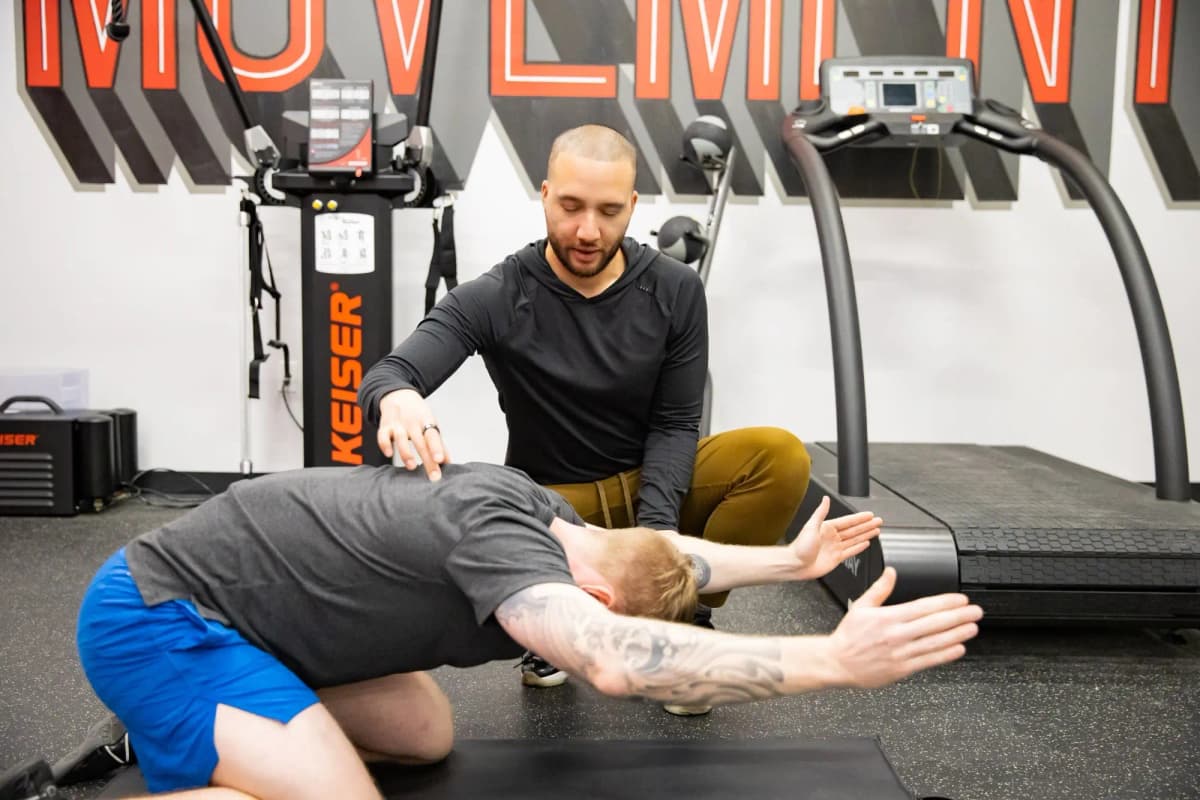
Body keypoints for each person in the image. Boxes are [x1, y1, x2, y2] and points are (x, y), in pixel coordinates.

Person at [75, 462, 982, 800]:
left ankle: (227, 729)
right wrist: (833, 659)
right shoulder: (521, 569)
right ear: (587, 593)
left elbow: (657, 557)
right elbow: (620, 662)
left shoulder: (547, 514)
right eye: (588, 607)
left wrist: (788, 563)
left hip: (261, 619)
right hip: (158, 616)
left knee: (425, 739)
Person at [357, 124, 812, 705]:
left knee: (777, 455)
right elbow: (389, 374)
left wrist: (658, 541)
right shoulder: (499, 293)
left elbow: (675, 424)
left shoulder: (675, 290)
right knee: (472, 509)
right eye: (570, 207)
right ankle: (554, 621)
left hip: (650, 479)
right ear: (545, 195)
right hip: (558, 505)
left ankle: (682, 619)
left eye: (608, 211)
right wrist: (397, 397)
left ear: (633, 207)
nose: (588, 231)